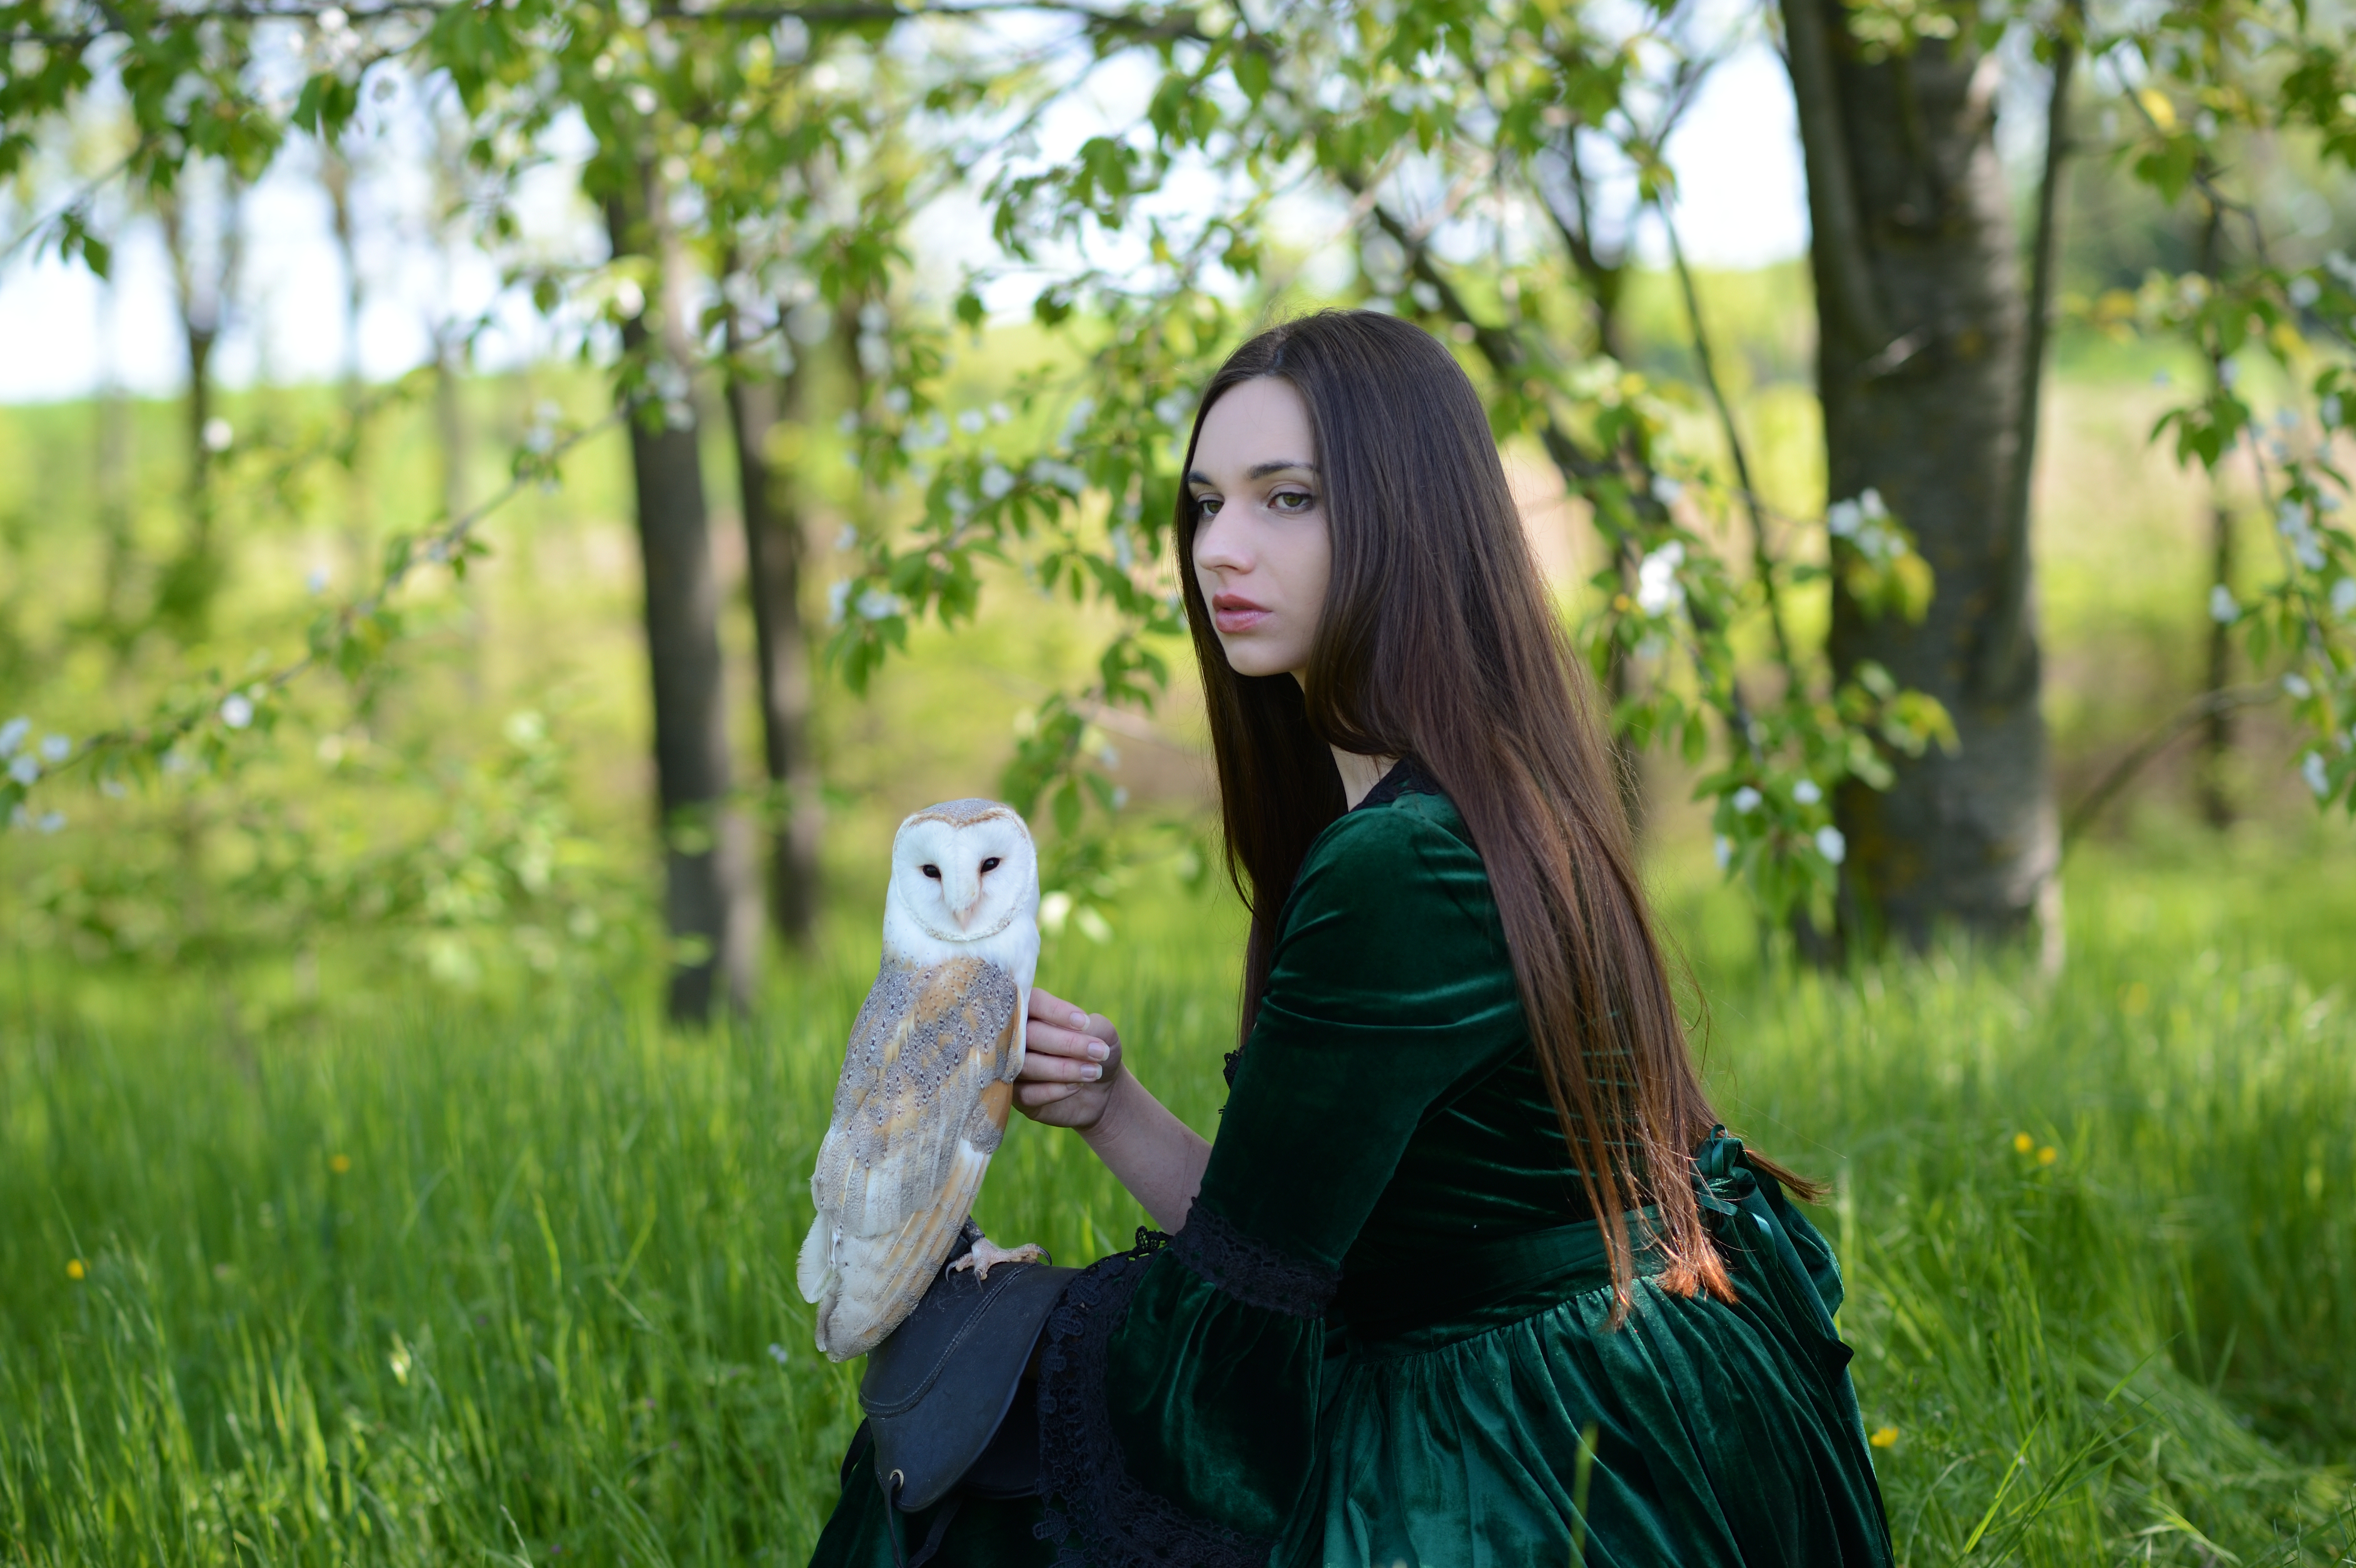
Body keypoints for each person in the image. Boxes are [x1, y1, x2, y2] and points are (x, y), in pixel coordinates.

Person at [812, 309, 1894, 1567]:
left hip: (1536, 1440)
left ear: (1409, 515)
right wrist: (1113, 1104)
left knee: (960, 1463)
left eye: (1288, 500)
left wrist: (1013, 1341)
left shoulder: (1405, 860)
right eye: (1206, 504)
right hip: (1649, 1374)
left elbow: (1236, 1325)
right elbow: (1297, 1241)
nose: (1223, 547)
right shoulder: (1485, 785)